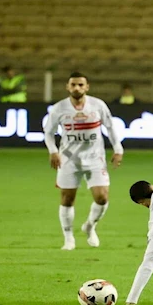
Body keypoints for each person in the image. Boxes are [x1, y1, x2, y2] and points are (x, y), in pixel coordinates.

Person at [44, 72, 124, 250]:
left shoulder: (97, 105)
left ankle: (90, 226)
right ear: (67, 87)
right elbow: (48, 133)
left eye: (81, 85)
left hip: (95, 159)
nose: (77, 88)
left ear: (87, 87)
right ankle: (68, 238)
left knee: (102, 198)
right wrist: (53, 151)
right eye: (73, 85)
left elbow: (110, 128)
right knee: (67, 199)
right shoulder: (59, 108)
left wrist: (118, 149)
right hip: (68, 159)